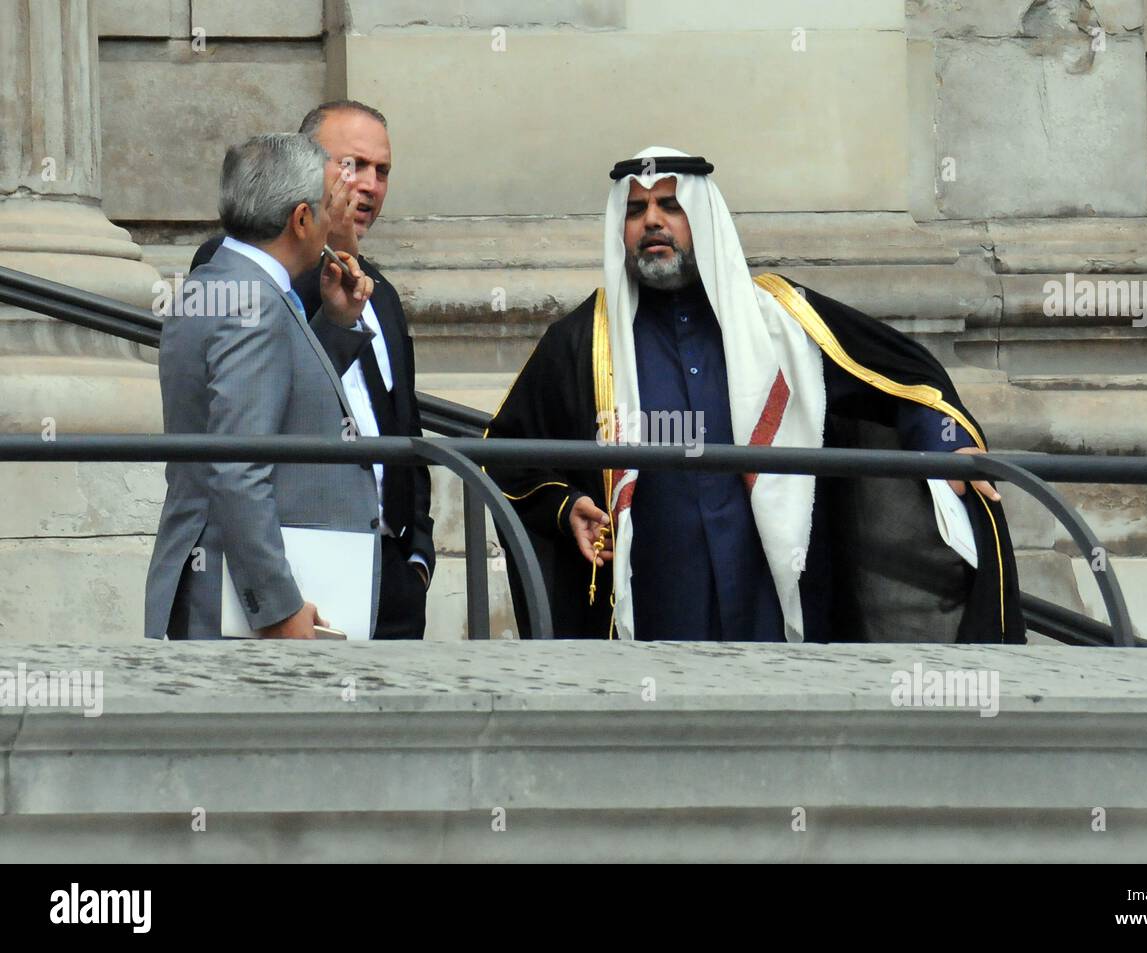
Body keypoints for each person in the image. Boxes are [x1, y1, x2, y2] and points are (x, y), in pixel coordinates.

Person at [485, 147, 1026, 644]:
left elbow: (899, 380)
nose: (653, 220)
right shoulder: (584, 340)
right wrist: (567, 506)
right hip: (653, 603)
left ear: (704, 218)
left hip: (770, 592)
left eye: (671, 205)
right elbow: (507, 453)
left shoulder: (780, 322)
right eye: (636, 210)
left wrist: (946, 444)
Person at [192, 100, 434, 640]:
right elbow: (247, 432)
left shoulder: (384, 295)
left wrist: (418, 552)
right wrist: (326, 244)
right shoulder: (244, 265)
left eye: (383, 170)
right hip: (301, 564)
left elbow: (401, 424)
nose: (368, 185)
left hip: (388, 569)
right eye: (352, 167)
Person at [145, 133, 378, 639]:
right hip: (246, 602)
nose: (336, 216)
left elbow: (277, 400)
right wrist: (278, 606)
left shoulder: (212, 284)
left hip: (222, 581)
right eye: (327, 205)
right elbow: (238, 465)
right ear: (300, 220)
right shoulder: (254, 305)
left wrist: (334, 329)